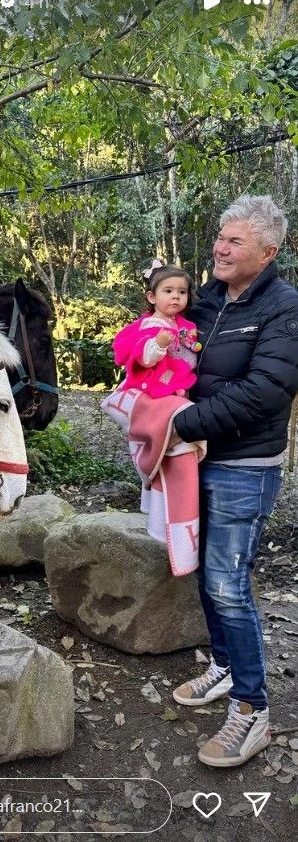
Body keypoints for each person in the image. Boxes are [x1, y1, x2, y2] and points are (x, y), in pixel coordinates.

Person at [171, 194, 298, 768]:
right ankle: (224, 668)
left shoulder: (285, 309)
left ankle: (253, 710)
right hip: (195, 460)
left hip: (244, 466)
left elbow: (266, 391)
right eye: (221, 237)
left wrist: (180, 421)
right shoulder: (206, 301)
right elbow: (175, 357)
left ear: (269, 251)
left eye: (235, 240)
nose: (220, 248)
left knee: (228, 581)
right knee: (205, 572)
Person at [112, 261, 201, 398]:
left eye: (182, 292)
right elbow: (143, 360)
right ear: (152, 297)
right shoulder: (151, 325)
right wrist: (158, 344)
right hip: (154, 390)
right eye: (168, 291)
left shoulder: (184, 324)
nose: (176, 295)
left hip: (178, 385)